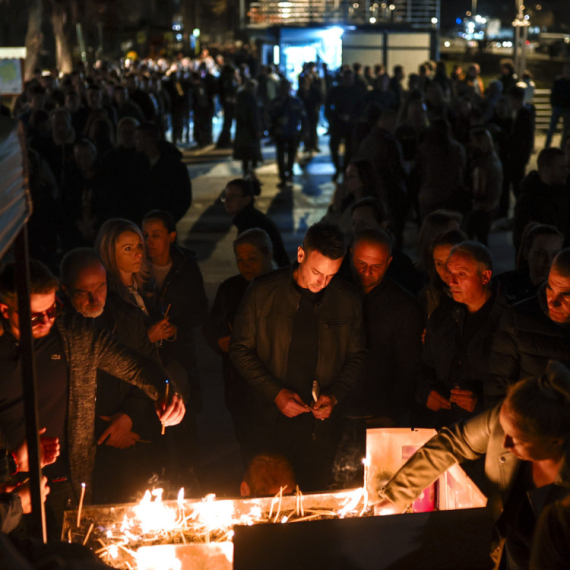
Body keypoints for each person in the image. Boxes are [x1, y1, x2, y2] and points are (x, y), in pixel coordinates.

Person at [0, 260, 184, 536]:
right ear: (5, 310)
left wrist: (167, 390)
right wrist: (11, 462)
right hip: (6, 483)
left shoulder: (74, 333)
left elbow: (137, 364)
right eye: (36, 316)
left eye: (53, 309)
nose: (48, 321)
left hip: (64, 479)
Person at [375, 361, 570, 570]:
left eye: (517, 440)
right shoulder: (512, 417)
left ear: (554, 442)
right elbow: (453, 443)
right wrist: (396, 497)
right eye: (503, 430)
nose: (504, 443)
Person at [230, 222, 366, 491]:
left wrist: (335, 395)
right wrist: (275, 392)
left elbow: (358, 355)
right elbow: (239, 349)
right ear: (301, 255)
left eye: (331, 275)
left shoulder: (346, 298)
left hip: (319, 432)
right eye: (317, 272)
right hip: (268, 423)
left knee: (314, 500)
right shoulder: (263, 291)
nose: (322, 282)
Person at [59, 248, 164, 503]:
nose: (96, 300)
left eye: (101, 287)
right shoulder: (59, 331)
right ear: (65, 291)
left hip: (128, 443)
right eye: (84, 293)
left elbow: (146, 368)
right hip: (74, 450)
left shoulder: (126, 317)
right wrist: (102, 430)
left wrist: (129, 416)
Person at [142, 210, 209, 479]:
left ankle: (190, 476)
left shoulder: (185, 266)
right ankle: (157, 476)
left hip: (179, 356)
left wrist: (176, 329)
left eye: (156, 235)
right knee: (152, 420)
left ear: (171, 237)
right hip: (148, 356)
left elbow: (200, 310)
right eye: (144, 235)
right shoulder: (138, 266)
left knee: (184, 420)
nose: (149, 242)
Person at [204, 229, 276, 466]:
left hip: (276, 385)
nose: (245, 265)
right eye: (240, 260)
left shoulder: (282, 286)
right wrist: (219, 342)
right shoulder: (230, 289)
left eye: (252, 259)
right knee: (249, 450)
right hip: (240, 388)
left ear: (268, 255)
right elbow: (211, 328)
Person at [417, 242, 507, 428]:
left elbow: (521, 385)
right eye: (450, 273)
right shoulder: (442, 316)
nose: (451, 282)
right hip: (444, 427)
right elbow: (425, 365)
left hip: (487, 431)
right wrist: (427, 391)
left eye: (461, 274)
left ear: (485, 276)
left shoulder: (508, 322)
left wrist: (481, 402)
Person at [350, 229, 422, 426]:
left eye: (376, 266)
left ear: (389, 263)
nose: (367, 272)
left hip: (379, 412)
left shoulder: (403, 307)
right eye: (361, 263)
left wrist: (393, 414)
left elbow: (408, 367)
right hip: (335, 410)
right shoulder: (333, 292)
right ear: (350, 254)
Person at [487, 249, 570, 408]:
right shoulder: (519, 319)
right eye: (550, 288)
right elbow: (497, 388)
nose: (552, 302)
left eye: (566, 294)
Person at [222, 178, 290, 268]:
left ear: (247, 200)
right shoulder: (250, 218)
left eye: (232, 197)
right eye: (225, 196)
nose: (227, 201)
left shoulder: (250, 225)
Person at [514, 147, 570, 252]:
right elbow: (521, 241)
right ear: (546, 170)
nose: (567, 171)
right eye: (562, 168)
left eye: (567, 167)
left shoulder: (564, 193)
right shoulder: (528, 200)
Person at [135, 121, 192, 223]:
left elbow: (183, 197)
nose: (136, 142)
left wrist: (167, 220)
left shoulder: (174, 166)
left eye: (139, 138)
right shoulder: (138, 163)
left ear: (149, 139)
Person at [496, 224, 564, 305]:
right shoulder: (504, 285)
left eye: (555, 254)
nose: (549, 261)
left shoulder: (563, 294)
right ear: (526, 253)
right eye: (541, 254)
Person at [417, 119, 467, 220]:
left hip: (429, 196)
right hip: (451, 195)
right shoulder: (457, 148)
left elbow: (419, 173)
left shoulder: (424, 149)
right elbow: (462, 171)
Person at [418, 228, 468, 319]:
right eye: (439, 264)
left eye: (450, 261)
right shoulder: (429, 297)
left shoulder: (480, 295)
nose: (445, 270)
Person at [465, 127, 503, 245]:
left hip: (483, 207)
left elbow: (479, 192)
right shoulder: (493, 156)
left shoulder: (481, 164)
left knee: (469, 238)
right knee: (483, 238)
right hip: (493, 205)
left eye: (472, 141)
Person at [268, 80, 307, 187]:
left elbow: (303, 117)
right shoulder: (275, 102)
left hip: (292, 132)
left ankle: (289, 173)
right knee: (280, 155)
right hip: (280, 132)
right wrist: (271, 130)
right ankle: (283, 176)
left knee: (291, 154)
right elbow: (270, 117)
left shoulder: (295, 101)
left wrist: (303, 131)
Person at [326, 69, 360, 181]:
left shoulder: (356, 92)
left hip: (350, 125)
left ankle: (344, 169)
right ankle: (338, 168)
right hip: (337, 124)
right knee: (334, 147)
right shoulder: (336, 91)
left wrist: (352, 118)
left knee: (349, 149)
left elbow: (361, 109)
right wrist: (333, 118)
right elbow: (327, 106)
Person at [233, 79, 263, 176]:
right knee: (251, 151)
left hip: (242, 129)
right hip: (249, 130)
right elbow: (253, 116)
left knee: (245, 153)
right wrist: (257, 129)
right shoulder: (250, 99)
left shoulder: (240, 97)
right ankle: (250, 171)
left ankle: (246, 170)